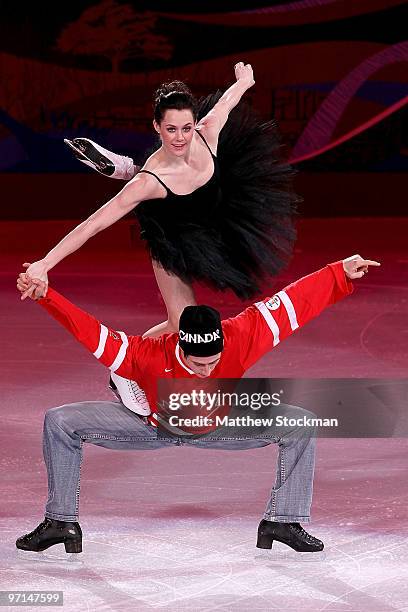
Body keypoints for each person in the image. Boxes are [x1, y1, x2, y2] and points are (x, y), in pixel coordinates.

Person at [15, 255, 380, 554]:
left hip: (221, 426)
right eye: (198, 363)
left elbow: (289, 307)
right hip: (149, 427)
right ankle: (61, 522)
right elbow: (88, 329)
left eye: (214, 362)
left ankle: (282, 521)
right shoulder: (145, 354)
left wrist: (337, 273)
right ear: (179, 345)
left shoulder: (240, 337)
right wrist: (45, 294)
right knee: (60, 420)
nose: (207, 369)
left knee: (299, 422)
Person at [20, 62, 298, 415]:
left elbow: (226, 103)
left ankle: (124, 167)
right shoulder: (151, 181)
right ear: (156, 127)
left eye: (185, 127)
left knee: (175, 175)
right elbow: (93, 224)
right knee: (182, 323)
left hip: (209, 217)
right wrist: (46, 262)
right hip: (172, 235)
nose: (180, 137)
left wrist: (244, 81)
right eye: (170, 130)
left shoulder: (206, 133)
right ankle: (123, 371)